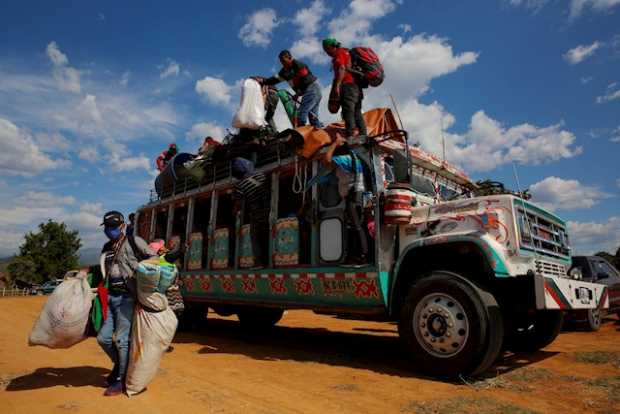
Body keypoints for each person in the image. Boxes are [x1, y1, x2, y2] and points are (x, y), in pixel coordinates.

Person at [98, 210, 157, 396]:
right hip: (110, 297)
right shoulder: (106, 247)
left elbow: (154, 258)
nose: (110, 230)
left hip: (127, 298)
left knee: (123, 341)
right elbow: (102, 269)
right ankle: (119, 364)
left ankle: (121, 380)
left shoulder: (134, 241)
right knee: (103, 338)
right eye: (107, 227)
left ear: (122, 226)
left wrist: (141, 269)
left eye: (113, 227)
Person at [319, 136, 369, 264]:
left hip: (353, 197)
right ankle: (359, 255)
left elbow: (326, 160)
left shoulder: (344, 159)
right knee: (356, 226)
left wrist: (335, 143)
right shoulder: (355, 159)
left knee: (356, 226)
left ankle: (362, 256)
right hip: (357, 196)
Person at [259, 50, 323, 128]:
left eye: (283, 61)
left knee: (300, 115)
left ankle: (299, 135)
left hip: (313, 90)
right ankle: (318, 133)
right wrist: (263, 81)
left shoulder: (298, 65)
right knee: (313, 117)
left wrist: (298, 93)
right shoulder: (284, 72)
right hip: (310, 91)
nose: (282, 63)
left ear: (289, 57)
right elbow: (274, 79)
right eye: (281, 62)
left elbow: (306, 80)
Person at [322, 38, 367, 139]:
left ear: (332, 46)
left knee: (348, 110)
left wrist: (337, 85)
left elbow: (342, 68)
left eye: (327, 49)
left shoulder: (340, 53)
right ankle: (363, 135)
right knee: (357, 111)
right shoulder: (346, 52)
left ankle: (350, 135)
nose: (327, 52)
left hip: (348, 86)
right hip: (356, 87)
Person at [231, 157, 270, 268]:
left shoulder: (240, 185)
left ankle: (259, 262)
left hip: (256, 212)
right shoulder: (260, 175)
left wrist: (235, 211)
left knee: (255, 237)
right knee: (267, 235)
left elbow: (238, 204)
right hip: (269, 210)